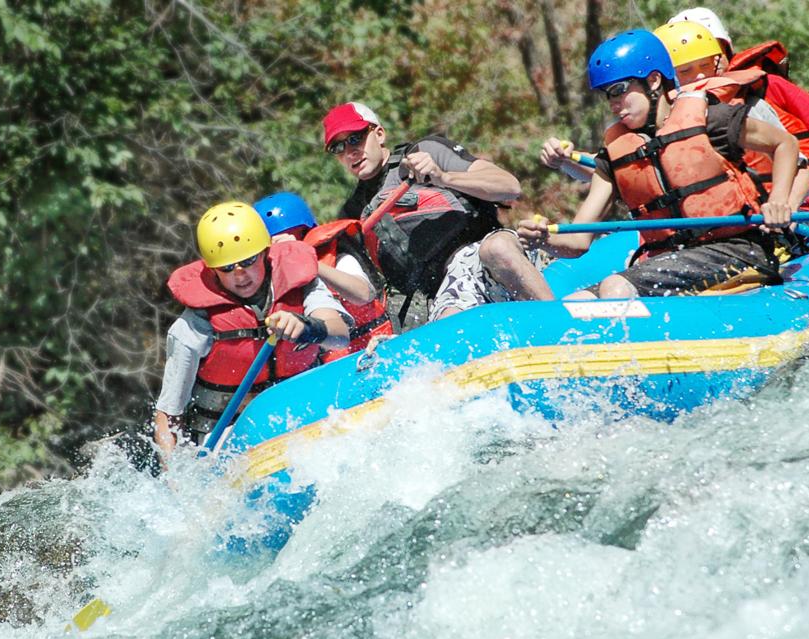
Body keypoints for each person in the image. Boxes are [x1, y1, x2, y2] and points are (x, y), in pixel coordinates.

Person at [518, 29, 798, 299]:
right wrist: (542, 239)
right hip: (668, 261)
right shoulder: (614, 155)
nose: (614, 104)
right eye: (608, 95)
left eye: (619, 90)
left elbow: (785, 144)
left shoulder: (712, 120)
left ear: (653, 81)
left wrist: (779, 201)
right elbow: (577, 241)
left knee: (616, 288)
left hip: (737, 251)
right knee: (578, 302)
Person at [322, 101, 551, 321]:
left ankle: (561, 325)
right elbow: (363, 292)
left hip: (488, 250)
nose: (350, 151)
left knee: (497, 249)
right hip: (448, 288)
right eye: (338, 147)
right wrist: (314, 266)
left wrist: (444, 177)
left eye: (355, 138)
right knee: (449, 319)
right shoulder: (351, 217)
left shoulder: (425, 151)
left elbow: (510, 187)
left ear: (379, 134)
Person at [153, 201, 350, 454]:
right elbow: (168, 415)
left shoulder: (300, 283)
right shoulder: (194, 325)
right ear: (213, 270)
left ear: (266, 253)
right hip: (230, 436)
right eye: (227, 268)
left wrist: (306, 326)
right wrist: (176, 482)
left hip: (306, 415)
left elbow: (340, 336)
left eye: (248, 261)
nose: (240, 275)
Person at [667, 6, 809, 208]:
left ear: (726, 49)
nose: (710, 62)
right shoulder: (685, 113)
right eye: (690, 63)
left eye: (714, 51)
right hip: (753, 208)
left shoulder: (769, 86)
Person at [253, 191, 393, 361]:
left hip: (377, 347)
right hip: (329, 365)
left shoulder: (337, 258)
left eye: (298, 236)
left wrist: (308, 262)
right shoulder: (269, 283)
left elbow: (363, 295)